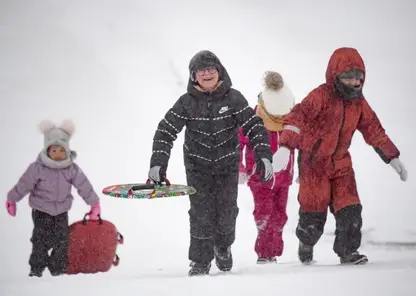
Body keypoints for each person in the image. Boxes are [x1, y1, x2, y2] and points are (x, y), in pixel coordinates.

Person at [272, 47, 408, 265]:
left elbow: (374, 130)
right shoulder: (320, 96)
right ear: (335, 76)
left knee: (350, 210)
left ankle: (348, 252)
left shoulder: (359, 103)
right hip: (314, 163)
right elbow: (297, 117)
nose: (354, 82)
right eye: (347, 77)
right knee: (313, 216)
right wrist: (285, 146)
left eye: (358, 77)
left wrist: (392, 156)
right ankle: (306, 243)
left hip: (342, 164)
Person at [147, 50, 273, 276]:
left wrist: (264, 155)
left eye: (211, 69)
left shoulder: (233, 98)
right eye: (201, 70)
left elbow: (254, 127)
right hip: (198, 167)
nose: (207, 73)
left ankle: (223, 247)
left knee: (227, 213)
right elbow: (165, 131)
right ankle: (200, 261)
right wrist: (158, 162)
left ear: (219, 71)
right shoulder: (186, 102)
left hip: (227, 167)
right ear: (193, 76)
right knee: (200, 214)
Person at [6, 120, 101, 277]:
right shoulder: (37, 168)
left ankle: (57, 269)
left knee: (61, 241)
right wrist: (12, 199)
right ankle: (36, 269)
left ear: (67, 150)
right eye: (54, 150)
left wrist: (94, 204)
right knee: (40, 241)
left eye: (61, 151)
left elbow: (84, 186)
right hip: (41, 210)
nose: (58, 154)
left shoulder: (71, 169)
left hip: (61, 211)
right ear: (47, 150)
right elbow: (24, 185)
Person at [239, 71, 295, 264]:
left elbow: (302, 143)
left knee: (280, 216)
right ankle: (264, 253)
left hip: (284, 177)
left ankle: (274, 250)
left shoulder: (291, 120)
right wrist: (239, 167)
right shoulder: (253, 118)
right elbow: (238, 141)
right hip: (260, 176)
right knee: (264, 213)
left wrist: (303, 170)